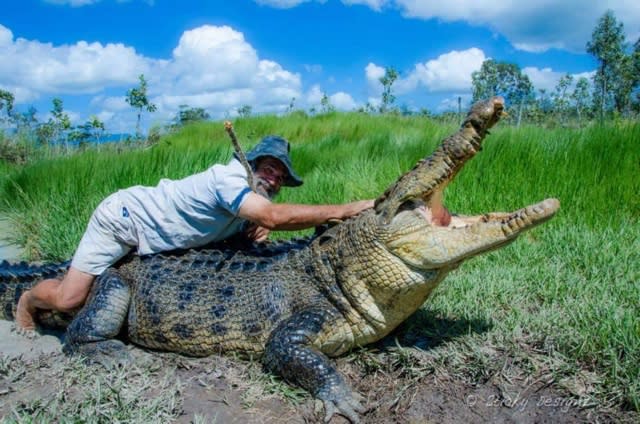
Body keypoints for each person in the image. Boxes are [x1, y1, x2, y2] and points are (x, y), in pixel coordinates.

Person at [16, 135, 374, 331]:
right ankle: (29, 300)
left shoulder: (247, 202)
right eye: (268, 169)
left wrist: (250, 231)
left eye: (280, 177)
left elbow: (258, 220)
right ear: (250, 164)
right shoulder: (228, 178)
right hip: (125, 221)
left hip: (153, 245)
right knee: (69, 299)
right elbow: (272, 215)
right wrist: (344, 210)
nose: (274, 179)